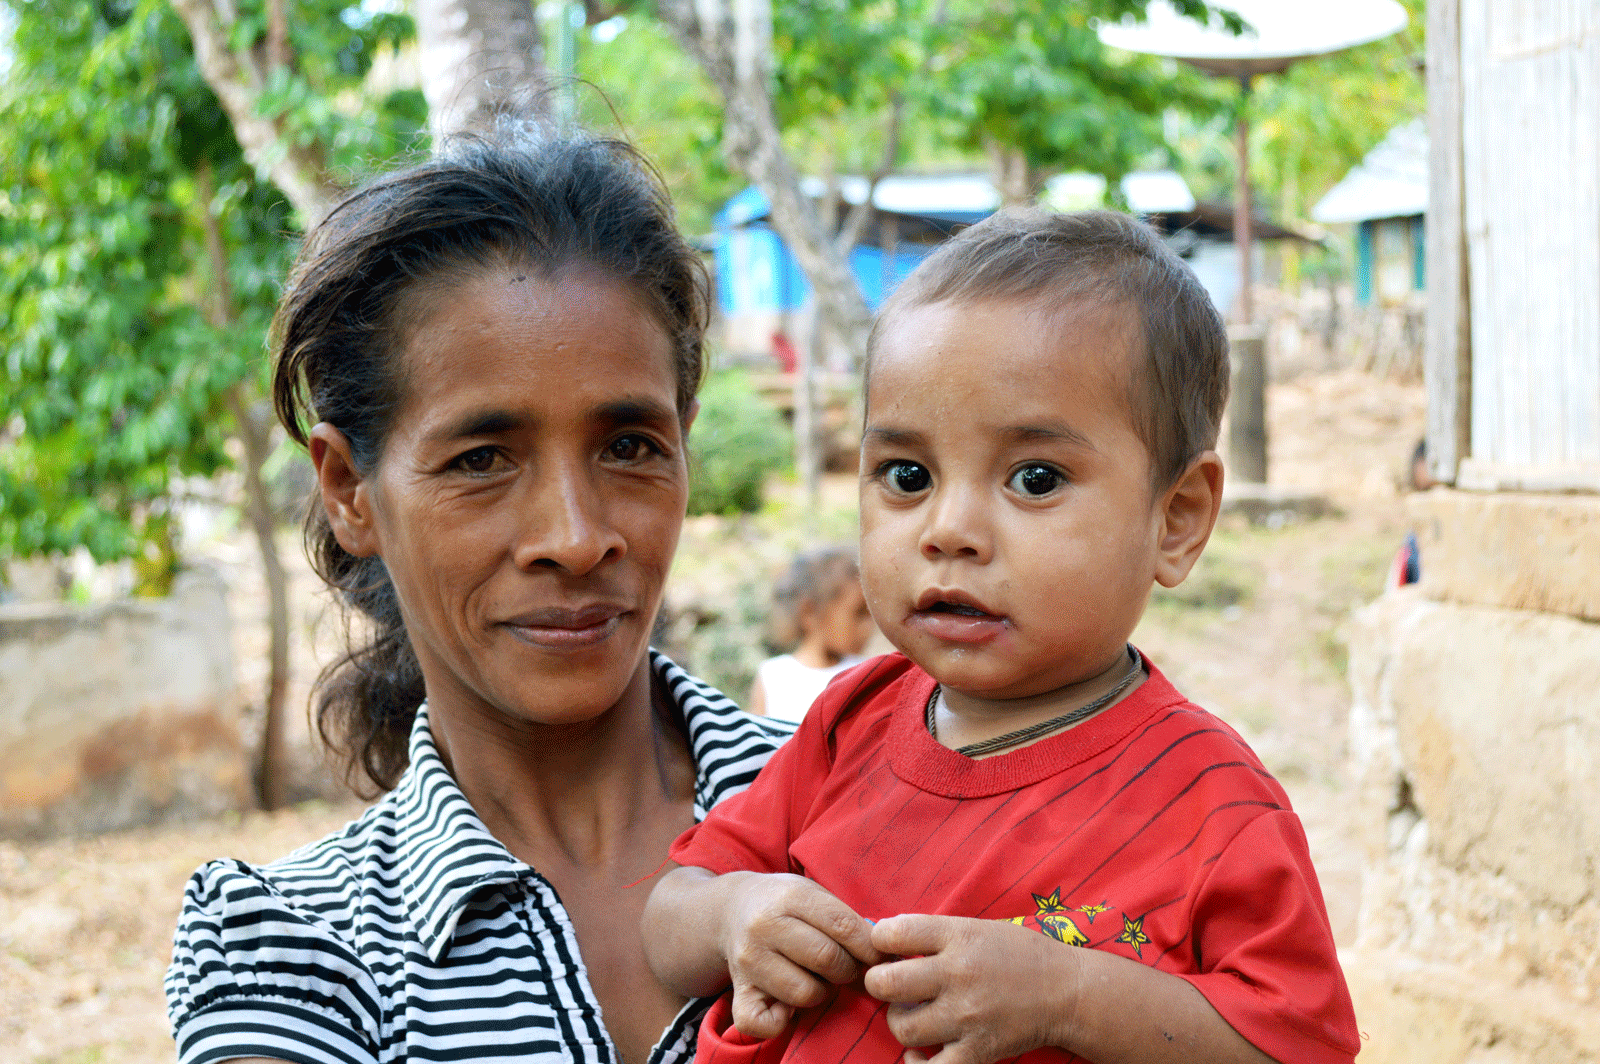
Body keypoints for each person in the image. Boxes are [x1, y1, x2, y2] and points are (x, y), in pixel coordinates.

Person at [643, 210, 1360, 1064]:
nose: (950, 530)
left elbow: (1302, 1042)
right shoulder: (848, 725)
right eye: (907, 476)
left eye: (1035, 478)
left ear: (1177, 518)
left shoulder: (1210, 801)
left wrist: (1071, 998)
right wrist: (734, 918)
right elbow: (668, 914)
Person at [162, 128, 796, 1064]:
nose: (577, 538)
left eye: (630, 447)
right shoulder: (289, 951)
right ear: (348, 490)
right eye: (481, 460)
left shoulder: (870, 801)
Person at [748, 547, 876, 723]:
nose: (869, 627)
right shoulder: (773, 676)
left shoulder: (867, 673)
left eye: (870, 614)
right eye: (859, 613)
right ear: (809, 612)